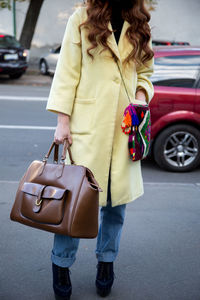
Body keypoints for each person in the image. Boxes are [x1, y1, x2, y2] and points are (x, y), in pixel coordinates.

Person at [46, 0, 154, 299]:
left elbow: (146, 72)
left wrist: (142, 97)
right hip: (87, 129)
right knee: (74, 204)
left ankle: (106, 262)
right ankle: (61, 264)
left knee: (116, 208)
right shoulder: (81, 18)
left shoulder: (140, 21)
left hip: (125, 129)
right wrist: (62, 122)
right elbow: (67, 73)